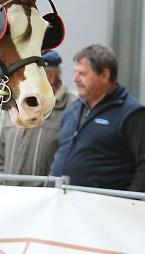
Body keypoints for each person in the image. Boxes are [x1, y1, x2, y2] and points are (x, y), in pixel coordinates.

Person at [49, 44, 145, 192]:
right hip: (60, 205)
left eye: (82, 73)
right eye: (75, 72)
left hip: (104, 210)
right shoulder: (73, 110)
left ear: (105, 75)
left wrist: (129, 203)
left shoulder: (132, 114)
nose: (75, 79)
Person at [0, 50, 77, 183]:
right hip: (9, 197)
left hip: (46, 200)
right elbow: (0, 156)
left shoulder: (73, 108)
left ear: (50, 77)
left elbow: (69, 161)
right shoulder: (16, 102)